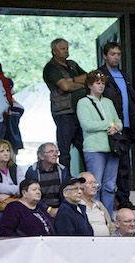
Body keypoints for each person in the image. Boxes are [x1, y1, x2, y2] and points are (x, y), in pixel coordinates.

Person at [76, 70, 122, 216]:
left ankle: (108, 218)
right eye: (97, 83)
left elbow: (119, 122)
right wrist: (109, 125)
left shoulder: (108, 102)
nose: (101, 86)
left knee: (109, 186)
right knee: (94, 186)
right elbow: (87, 124)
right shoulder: (83, 102)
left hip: (112, 147)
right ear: (90, 85)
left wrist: (116, 127)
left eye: (103, 83)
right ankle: (95, 217)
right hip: (94, 148)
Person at [101, 42, 135, 210]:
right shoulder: (100, 75)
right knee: (110, 168)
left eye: (118, 54)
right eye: (112, 54)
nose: (115, 57)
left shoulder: (124, 75)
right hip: (111, 128)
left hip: (127, 126)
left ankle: (124, 201)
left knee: (125, 166)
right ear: (105, 56)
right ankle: (108, 203)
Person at [42, 38, 87, 170]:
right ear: (54, 51)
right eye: (62, 48)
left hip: (79, 110)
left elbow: (89, 78)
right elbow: (65, 86)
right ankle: (65, 182)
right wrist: (78, 83)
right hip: (64, 112)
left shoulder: (72, 64)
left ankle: (87, 180)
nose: (66, 51)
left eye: (67, 48)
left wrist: (72, 81)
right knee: (65, 150)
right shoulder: (50, 67)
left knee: (85, 148)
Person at [24, 143, 69, 215]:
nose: (55, 154)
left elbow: (67, 194)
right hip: (39, 209)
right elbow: (31, 197)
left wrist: (62, 209)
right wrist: (48, 209)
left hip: (60, 209)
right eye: (51, 151)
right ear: (41, 156)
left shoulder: (63, 170)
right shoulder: (33, 171)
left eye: (56, 152)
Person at [79, 171, 111, 236]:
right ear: (80, 185)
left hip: (106, 243)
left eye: (95, 183)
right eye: (90, 183)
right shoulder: (76, 206)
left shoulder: (99, 205)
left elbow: (110, 226)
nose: (94, 186)